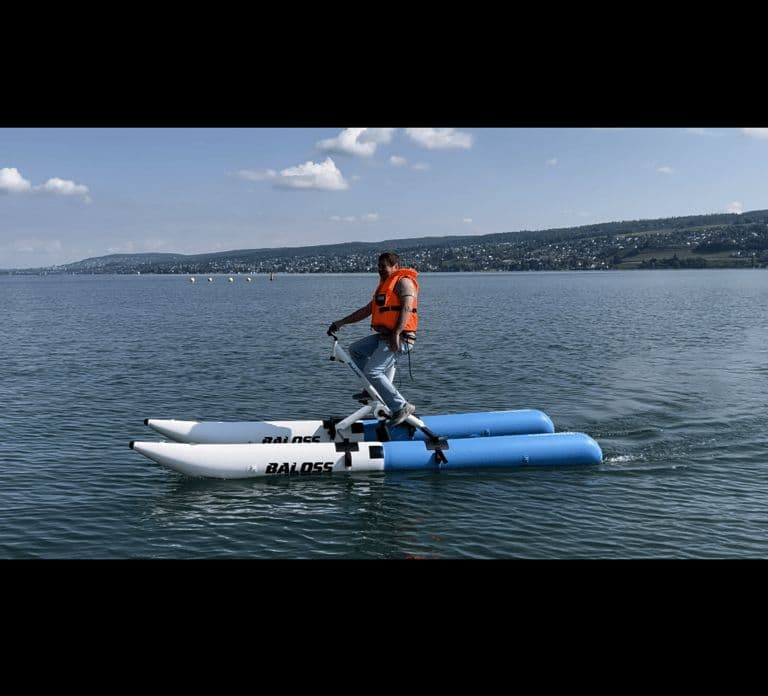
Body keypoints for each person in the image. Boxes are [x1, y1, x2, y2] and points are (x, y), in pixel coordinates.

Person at [328, 251, 419, 426]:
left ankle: (402, 406)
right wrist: (341, 322)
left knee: (373, 371)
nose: (380, 270)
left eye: (383, 266)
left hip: (401, 338)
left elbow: (407, 309)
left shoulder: (404, 283)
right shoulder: (385, 287)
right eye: (378, 266)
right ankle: (372, 390)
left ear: (395, 267)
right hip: (383, 337)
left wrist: (396, 334)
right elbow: (366, 310)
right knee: (356, 350)